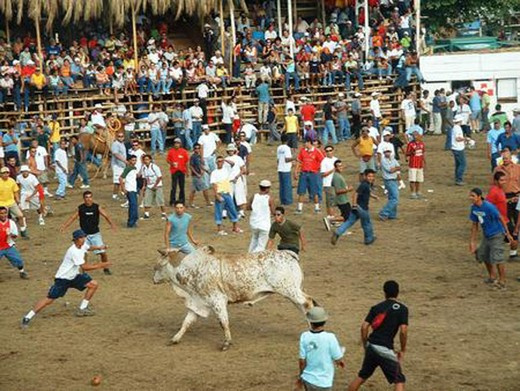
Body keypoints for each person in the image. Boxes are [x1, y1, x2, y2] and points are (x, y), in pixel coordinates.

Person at [21, 229, 111, 327]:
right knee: (49, 299)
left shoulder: (82, 245)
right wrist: (102, 265)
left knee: (93, 284)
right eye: (81, 237)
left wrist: (99, 247)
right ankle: (28, 317)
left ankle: (82, 308)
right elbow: (85, 267)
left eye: (84, 237)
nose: (84, 239)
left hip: (73, 276)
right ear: (76, 239)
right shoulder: (73, 251)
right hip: (63, 279)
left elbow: (88, 248)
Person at [347, 280, 408, 391]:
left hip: (372, 346)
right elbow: (403, 331)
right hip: (385, 349)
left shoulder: (376, 308)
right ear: (398, 293)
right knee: (399, 379)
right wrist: (403, 349)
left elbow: (364, 326)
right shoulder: (402, 309)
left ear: (384, 293)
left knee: (362, 375)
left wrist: (366, 345)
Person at [60, 190, 116, 275]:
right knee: (83, 253)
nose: (88, 199)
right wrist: (65, 226)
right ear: (84, 199)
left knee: (103, 252)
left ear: (92, 198)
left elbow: (106, 215)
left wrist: (112, 224)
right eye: (86, 197)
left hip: (95, 234)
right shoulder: (81, 208)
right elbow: (73, 217)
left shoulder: (96, 207)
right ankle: (84, 271)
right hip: (84, 235)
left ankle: (106, 268)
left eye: (90, 197)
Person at [469, 188, 512, 290]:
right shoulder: (474, 208)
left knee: (498, 258)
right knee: (483, 254)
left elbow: (501, 218)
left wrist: (507, 233)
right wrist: (472, 241)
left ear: (479, 197)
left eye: (473, 196)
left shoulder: (489, 207)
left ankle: (502, 281)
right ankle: (492, 276)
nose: (470, 198)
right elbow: (475, 225)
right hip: (487, 235)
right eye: (470, 196)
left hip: (497, 234)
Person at [297, 307, 345, 391]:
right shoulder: (330, 337)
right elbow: (337, 358)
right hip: (324, 381)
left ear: (310, 322)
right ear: (324, 321)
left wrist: (301, 376)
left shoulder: (304, 336)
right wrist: (340, 358)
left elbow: (302, 361)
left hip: (308, 379)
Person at [331, 169, 377, 246]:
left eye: (372, 176)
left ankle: (338, 232)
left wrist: (374, 196)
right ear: (365, 176)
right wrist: (354, 205)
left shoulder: (366, 185)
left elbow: (367, 192)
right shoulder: (364, 185)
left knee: (349, 221)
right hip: (362, 208)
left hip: (357, 208)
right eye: (369, 176)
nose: (371, 178)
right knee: (367, 223)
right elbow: (355, 194)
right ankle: (369, 239)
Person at [210, 156, 242, 235]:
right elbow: (214, 185)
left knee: (232, 210)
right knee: (219, 211)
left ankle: (235, 228)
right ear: (216, 163)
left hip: (227, 193)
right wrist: (217, 195)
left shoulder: (226, 170)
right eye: (218, 161)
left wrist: (225, 159)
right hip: (220, 193)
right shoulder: (214, 173)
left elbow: (233, 164)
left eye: (221, 161)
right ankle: (219, 229)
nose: (220, 162)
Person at [295, 137, 324, 214]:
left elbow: (323, 161)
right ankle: (299, 208)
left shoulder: (317, 151)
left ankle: (317, 208)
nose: (304, 144)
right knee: (301, 191)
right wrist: (296, 171)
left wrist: (319, 170)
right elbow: (299, 162)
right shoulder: (302, 151)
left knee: (315, 192)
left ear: (309, 143)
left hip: (313, 174)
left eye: (305, 143)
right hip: (304, 173)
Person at [323, 160, 353, 231]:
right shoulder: (336, 177)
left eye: (341, 165)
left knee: (345, 215)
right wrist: (348, 189)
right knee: (347, 216)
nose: (341, 167)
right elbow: (338, 191)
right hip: (342, 200)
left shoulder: (338, 176)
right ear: (335, 168)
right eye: (339, 166)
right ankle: (330, 220)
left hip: (343, 198)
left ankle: (342, 228)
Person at [0, 206, 29, 279]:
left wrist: (10, 234)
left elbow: (15, 235)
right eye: (1, 213)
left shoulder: (11, 223)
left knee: (17, 260)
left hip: (8, 246)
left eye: (5, 213)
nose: (3, 215)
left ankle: (22, 272)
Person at [247, 180, 275, 253]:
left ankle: (249, 254)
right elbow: (273, 212)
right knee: (261, 246)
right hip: (264, 225)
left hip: (254, 223)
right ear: (267, 188)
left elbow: (248, 207)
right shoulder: (269, 198)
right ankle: (252, 257)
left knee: (254, 240)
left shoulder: (254, 196)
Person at [0, 166, 28, 238]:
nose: (6, 174)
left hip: (11, 202)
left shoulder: (12, 181)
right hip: (2, 203)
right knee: (4, 219)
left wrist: (18, 201)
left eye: (7, 173)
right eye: (4, 173)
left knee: (20, 216)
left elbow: (15, 191)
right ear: (1, 174)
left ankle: (23, 230)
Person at [141, 154, 167, 220]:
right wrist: (144, 186)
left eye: (147, 159)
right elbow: (144, 178)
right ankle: (146, 214)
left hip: (157, 185)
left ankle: (164, 213)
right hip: (149, 186)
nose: (146, 161)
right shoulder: (143, 168)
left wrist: (155, 185)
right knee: (147, 199)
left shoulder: (154, 167)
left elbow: (159, 177)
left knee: (160, 200)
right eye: (145, 160)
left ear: (150, 160)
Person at [166, 137, 190, 206]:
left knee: (182, 186)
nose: (176, 144)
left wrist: (187, 172)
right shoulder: (171, 151)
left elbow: (186, 162)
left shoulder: (184, 151)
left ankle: (181, 200)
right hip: (174, 171)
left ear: (180, 144)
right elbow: (168, 160)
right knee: (174, 187)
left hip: (182, 171)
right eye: (175, 143)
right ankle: (172, 201)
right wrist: (172, 164)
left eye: (178, 143)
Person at [379, 148, 401, 221]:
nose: (387, 153)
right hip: (389, 180)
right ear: (384, 153)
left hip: (394, 179)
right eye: (386, 152)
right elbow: (390, 170)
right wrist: (396, 168)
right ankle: (384, 212)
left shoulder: (393, 159)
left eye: (388, 152)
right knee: (395, 198)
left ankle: (392, 215)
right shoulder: (383, 160)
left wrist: (395, 168)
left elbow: (399, 167)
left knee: (392, 198)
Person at [120, 155, 139, 228]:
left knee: (134, 205)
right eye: (133, 160)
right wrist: (123, 189)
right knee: (133, 205)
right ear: (129, 161)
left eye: (135, 160)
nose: (134, 161)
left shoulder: (134, 168)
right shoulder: (128, 168)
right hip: (129, 189)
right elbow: (121, 178)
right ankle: (131, 222)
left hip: (133, 189)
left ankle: (133, 221)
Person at [406, 133, 426, 199]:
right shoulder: (410, 144)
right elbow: (407, 153)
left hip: (420, 164)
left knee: (419, 179)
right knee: (412, 179)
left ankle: (418, 191)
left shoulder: (422, 144)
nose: (415, 137)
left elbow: (423, 153)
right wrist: (412, 153)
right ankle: (412, 193)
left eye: (416, 135)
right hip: (413, 164)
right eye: (414, 136)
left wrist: (424, 162)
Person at [321, 145, 338, 218]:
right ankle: (331, 216)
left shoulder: (336, 159)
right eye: (327, 151)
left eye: (330, 150)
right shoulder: (324, 162)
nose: (329, 152)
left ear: (333, 151)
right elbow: (323, 174)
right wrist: (332, 170)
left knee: (333, 201)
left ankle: (330, 216)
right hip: (328, 184)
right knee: (330, 201)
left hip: (336, 183)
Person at [277, 134, 294, 206]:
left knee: (282, 185)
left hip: (280, 168)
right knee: (287, 185)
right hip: (286, 169)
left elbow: (278, 159)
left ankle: (282, 200)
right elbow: (287, 159)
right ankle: (288, 200)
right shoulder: (287, 148)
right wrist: (294, 158)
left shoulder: (279, 147)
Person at [111, 131, 127, 200]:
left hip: (122, 165)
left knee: (123, 180)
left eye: (122, 136)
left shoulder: (122, 144)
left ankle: (123, 192)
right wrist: (124, 160)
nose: (121, 138)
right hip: (117, 165)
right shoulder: (115, 144)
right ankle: (115, 195)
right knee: (117, 181)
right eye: (119, 136)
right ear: (116, 137)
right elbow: (116, 154)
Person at [451, 115, 466, 186]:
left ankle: (457, 178)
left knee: (458, 164)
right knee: (462, 164)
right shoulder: (457, 128)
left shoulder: (455, 128)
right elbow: (457, 138)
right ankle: (459, 179)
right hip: (458, 148)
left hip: (455, 148)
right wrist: (465, 139)